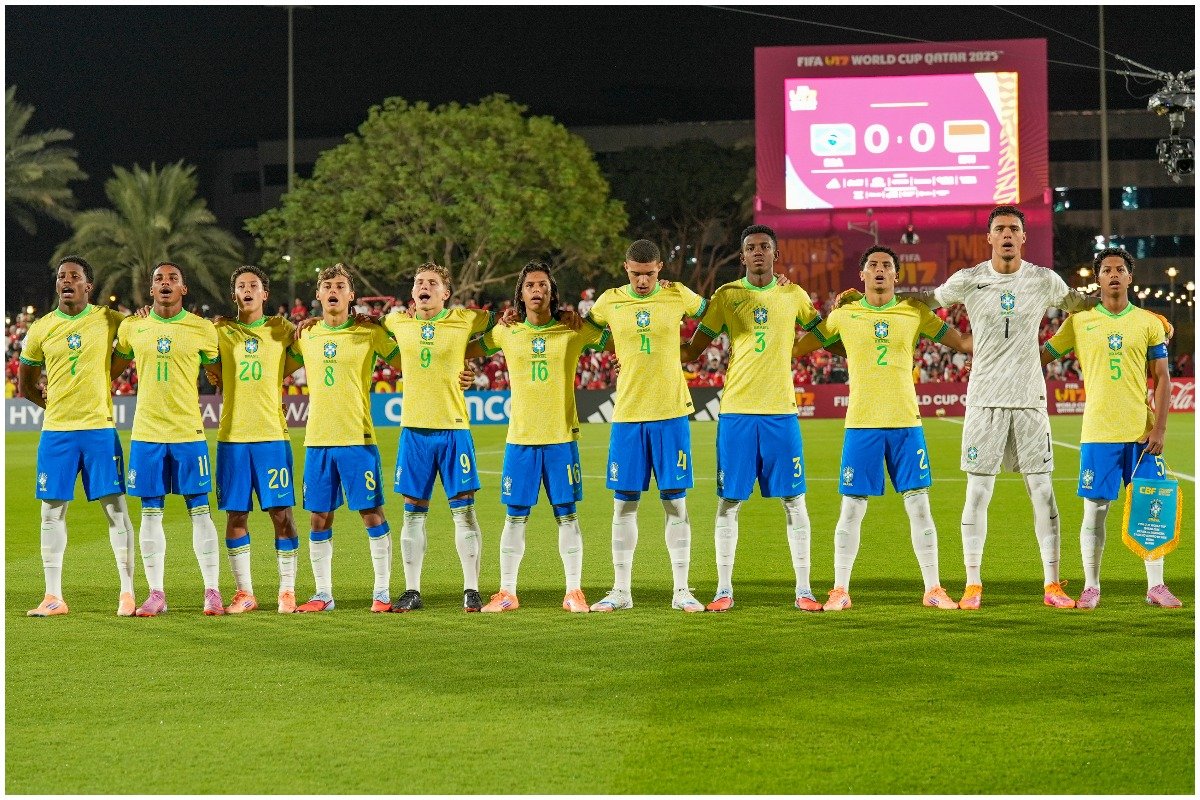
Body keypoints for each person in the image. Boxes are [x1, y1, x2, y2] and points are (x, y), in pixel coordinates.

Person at [871, 205, 1097, 609]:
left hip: (1029, 399)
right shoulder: (969, 279)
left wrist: (1140, 316)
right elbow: (925, 300)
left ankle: (1051, 584)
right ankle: (973, 584)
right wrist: (872, 296)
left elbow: (1084, 306)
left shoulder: (1043, 279)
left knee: (1042, 492)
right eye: (1000, 229)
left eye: (1014, 228)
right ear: (989, 238)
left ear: (1023, 238)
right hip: (984, 400)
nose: (1007, 234)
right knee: (978, 492)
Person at [796, 246, 973, 610]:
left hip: (906, 423)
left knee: (920, 507)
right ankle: (840, 589)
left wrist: (1004, 324)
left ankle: (933, 588)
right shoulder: (844, 315)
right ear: (861, 275)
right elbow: (802, 346)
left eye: (887, 266)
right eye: (873, 265)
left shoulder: (914, 311)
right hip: (862, 424)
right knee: (851, 509)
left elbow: (962, 343)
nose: (879, 270)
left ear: (897, 276)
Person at [676, 225, 824, 611]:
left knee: (794, 500)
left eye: (764, 247)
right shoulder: (727, 296)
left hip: (781, 412)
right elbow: (693, 351)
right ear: (742, 257)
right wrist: (647, 352)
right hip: (738, 412)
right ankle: (724, 589)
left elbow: (824, 334)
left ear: (775, 254)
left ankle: (804, 589)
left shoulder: (794, 294)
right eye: (751, 248)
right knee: (729, 502)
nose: (758, 252)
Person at [1041, 247, 1181, 608]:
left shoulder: (1149, 323)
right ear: (1097, 278)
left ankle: (1156, 585)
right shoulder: (1080, 320)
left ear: (1130, 277)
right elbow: (1043, 355)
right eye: (1107, 269)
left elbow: (1162, 379)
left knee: (1151, 506)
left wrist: (1160, 429)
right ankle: (1091, 586)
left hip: (1141, 433)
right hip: (1098, 433)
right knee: (1096, 510)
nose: (1114, 274)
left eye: (1120, 269)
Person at [465, 261, 607, 613]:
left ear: (552, 292)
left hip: (561, 438)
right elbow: (466, 349)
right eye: (530, 285)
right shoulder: (506, 331)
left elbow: (619, 339)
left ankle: (574, 591)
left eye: (543, 285)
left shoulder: (573, 328)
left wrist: (620, 356)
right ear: (521, 292)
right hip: (521, 439)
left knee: (566, 513)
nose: (537, 290)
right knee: (515, 514)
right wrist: (459, 371)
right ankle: (507, 592)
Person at [584, 240, 708, 612]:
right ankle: (621, 591)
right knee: (624, 506)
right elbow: (585, 333)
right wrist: (616, 349)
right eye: (636, 274)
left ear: (660, 270)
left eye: (650, 274)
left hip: (671, 413)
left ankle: (681, 590)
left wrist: (691, 351)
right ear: (626, 269)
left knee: (676, 504)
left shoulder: (677, 295)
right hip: (627, 415)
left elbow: (716, 315)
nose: (642, 281)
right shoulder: (609, 301)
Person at [19, 256, 137, 616]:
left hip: (99, 429)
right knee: (51, 512)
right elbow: (25, 385)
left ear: (89, 286)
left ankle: (128, 593)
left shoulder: (110, 319)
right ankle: (53, 596)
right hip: (57, 433)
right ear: (56, 286)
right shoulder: (41, 329)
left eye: (75, 276)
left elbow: (134, 346)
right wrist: (53, 407)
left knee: (115, 508)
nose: (67, 280)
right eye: (61, 276)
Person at [288, 264, 402, 613]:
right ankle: (323, 594)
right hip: (318, 439)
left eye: (340, 285)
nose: (333, 289)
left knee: (371, 512)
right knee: (319, 517)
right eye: (327, 285)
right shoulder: (305, 336)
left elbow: (410, 361)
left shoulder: (369, 332)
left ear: (351, 295)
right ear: (319, 295)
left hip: (358, 437)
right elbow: (271, 366)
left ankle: (381, 593)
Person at [111, 262, 223, 616]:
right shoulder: (133, 327)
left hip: (188, 431)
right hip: (146, 433)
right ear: (150, 290)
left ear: (184, 289)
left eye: (172, 278)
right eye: (158, 279)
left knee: (200, 511)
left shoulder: (202, 329)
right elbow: (111, 366)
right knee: (151, 512)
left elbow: (217, 374)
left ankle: (212, 591)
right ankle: (156, 593)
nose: (165, 283)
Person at [383, 263, 496, 612]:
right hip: (414, 431)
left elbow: (501, 324)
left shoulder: (464, 319)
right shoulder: (397, 322)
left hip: (454, 428)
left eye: (433, 283)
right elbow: (360, 325)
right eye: (419, 282)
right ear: (412, 292)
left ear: (446, 293)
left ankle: (471, 589)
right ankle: (412, 590)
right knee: (412, 514)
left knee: (464, 512)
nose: (424, 287)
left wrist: (470, 366)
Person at [204, 266, 303, 614]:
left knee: (281, 514)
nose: (248, 290)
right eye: (241, 286)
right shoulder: (219, 330)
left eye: (254, 285)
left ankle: (287, 591)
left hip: (272, 437)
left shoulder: (283, 329)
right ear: (235, 296)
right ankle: (244, 592)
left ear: (265, 293)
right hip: (232, 438)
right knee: (236, 516)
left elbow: (313, 347)